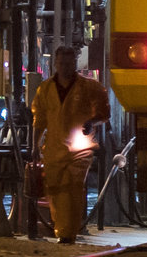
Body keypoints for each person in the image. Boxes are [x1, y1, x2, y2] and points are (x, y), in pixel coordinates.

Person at [30, 41, 109, 242]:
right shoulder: (45, 90)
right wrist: (34, 145)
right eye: (62, 63)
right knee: (55, 189)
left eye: (69, 63)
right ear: (56, 64)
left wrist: (92, 122)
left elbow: (103, 112)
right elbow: (39, 119)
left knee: (73, 187)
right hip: (54, 148)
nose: (65, 67)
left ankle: (68, 233)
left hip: (79, 148)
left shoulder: (90, 88)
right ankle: (62, 229)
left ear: (75, 63)